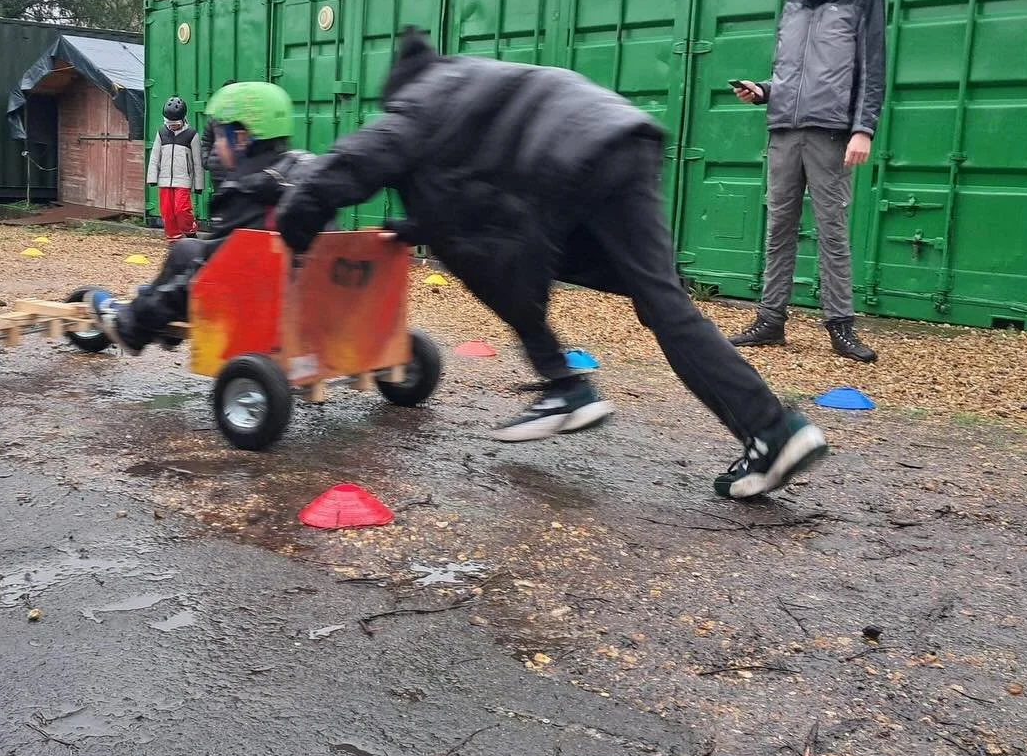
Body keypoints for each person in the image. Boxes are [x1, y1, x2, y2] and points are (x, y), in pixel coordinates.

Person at [274, 27, 829, 500]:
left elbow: (350, 163)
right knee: (662, 302)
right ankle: (773, 431)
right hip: (623, 140)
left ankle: (564, 385)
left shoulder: (417, 105)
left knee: (487, 257)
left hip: (570, 163)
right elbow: (473, 187)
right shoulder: (468, 77)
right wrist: (411, 227)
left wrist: (294, 234)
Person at [729, 0, 886, 363]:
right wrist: (762, 90)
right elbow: (788, 74)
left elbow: (872, 71)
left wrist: (863, 129)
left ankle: (841, 325)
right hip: (784, 129)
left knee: (830, 231)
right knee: (778, 227)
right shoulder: (792, 2)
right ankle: (770, 320)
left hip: (832, 132)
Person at [88, 82, 315, 355]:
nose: (216, 148)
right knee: (186, 247)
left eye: (220, 137)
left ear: (241, 138)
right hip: (306, 289)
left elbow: (211, 271)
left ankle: (135, 326)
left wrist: (154, 308)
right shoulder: (307, 172)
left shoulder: (250, 191)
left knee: (199, 263)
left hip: (260, 300)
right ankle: (162, 310)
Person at [146, 97, 204, 242]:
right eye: (169, 124)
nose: (172, 127)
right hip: (164, 179)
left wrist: (199, 185)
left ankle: (190, 231)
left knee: (181, 209)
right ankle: (173, 238)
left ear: (183, 119)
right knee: (167, 212)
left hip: (183, 179)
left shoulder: (192, 135)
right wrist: (152, 177)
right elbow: (154, 156)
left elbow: (198, 162)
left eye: (176, 124)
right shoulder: (161, 133)